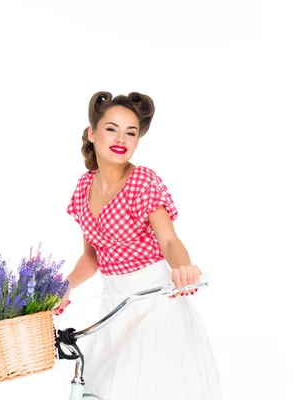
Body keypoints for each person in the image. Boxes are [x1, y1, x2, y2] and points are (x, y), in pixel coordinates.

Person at [57, 91, 222, 399]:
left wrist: (182, 268)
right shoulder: (83, 188)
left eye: (130, 132)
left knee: (141, 388)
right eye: (111, 128)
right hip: (114, 305)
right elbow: (92, 257)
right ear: (92, 133)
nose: (121, 138)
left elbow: (169, 239)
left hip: (153, 303)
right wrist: (65, 286)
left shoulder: (142, 182)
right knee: (102, 387)